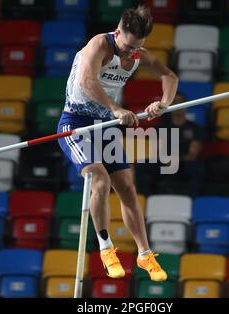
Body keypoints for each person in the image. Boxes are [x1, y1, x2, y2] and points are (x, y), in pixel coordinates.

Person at [57, 6, 178, 281]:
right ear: (117, 31)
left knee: (127, 186)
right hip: (75, 124)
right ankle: (106, 248)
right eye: (126, 46)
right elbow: (87, 81)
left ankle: (145, 254)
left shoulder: (138, 54)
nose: (129, 53)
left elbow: (170, 76)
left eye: (136, 48)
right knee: (99, 179)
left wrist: (163, 103)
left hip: (106, 126)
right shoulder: (99, 44)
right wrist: (115, 108)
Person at [136, 92, 204, 197]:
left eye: (181, 102)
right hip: (163, 163)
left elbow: (193, 154)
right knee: (141, 165)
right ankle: (147, 198)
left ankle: (190, 199)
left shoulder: (194, 128)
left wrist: (176, 159)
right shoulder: (161, 127)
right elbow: (156, 152)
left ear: (187, 105)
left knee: (199, 169)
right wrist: (166, 159)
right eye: (175, 102)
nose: (178, 105)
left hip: (183, 164)